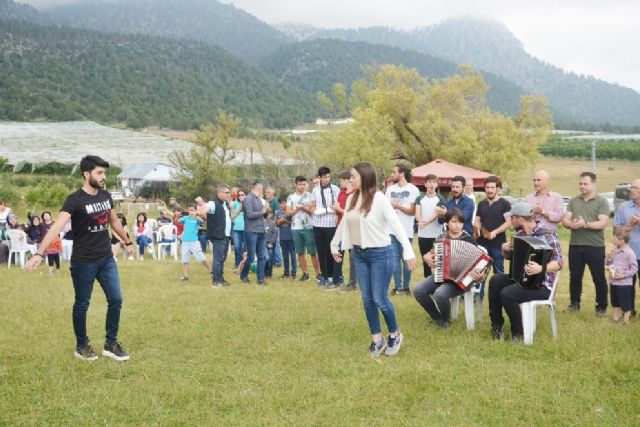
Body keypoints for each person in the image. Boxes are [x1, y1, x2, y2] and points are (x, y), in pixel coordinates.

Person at [24, 155, 134, 361]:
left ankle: (110, 344)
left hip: (106, 258)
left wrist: (127, 241)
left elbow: (113, 222)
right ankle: (82, 346)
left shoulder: (105, 196)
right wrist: (39, 252)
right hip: (84, 261)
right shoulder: (75, 200)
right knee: (82, 303)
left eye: (104, 173)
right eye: (99, 173)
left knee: (116, 299)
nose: (103, 177)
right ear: (86, 174)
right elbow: (56, 227)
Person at [331, 162, 416, 357]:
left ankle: (395, 334)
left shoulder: (379, 198)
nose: (350, 180)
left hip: (380, 254)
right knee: (367, 299)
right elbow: (345, 223)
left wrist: (408, 250)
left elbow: (396, 224)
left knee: (379, 298)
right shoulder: (351, 198)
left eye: (353, 176)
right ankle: (377, 339)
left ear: (365, 177)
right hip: (359, 255)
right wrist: (334, 244)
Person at [489, 201, 564, 341]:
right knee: (496, 280)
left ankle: (518, 333)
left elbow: (559, 262)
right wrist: (505, 251)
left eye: (512, 218)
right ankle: (497, 327)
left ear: (519, 219)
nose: (510, 221)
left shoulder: (547, 235)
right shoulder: (519, 235)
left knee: (507, 293)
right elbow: (512, 258)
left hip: (542, 286)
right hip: (522, 280)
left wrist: (541, 268)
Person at [413, 208, 487, 328]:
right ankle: (437, 318)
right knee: (418, 289)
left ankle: (445, 321)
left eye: (460, 222)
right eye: (454, 221)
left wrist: (480, 275)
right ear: (446, 223)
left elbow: (478, 263)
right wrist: (427, 258)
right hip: (441, 275)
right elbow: (431, 255)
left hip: (460, 281)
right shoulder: (441, 238)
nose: (458, 225)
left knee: (440, 293)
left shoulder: (469, 240)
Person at [561, 172, 610, 316]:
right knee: (575, 277)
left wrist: (585, 224)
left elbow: (603, 223)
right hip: (575, 245)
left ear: (594, 184)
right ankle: (574, 304)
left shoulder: (602, 201)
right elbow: (565, 220)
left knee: (598, 277)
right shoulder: (574, 201)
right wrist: (571, 224)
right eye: (580, 183)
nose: (582, 186)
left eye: (585, 184)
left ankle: (601, 307)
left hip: (595, 246)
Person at [474, 175, 511, 298]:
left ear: (498, 189)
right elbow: (477, 220)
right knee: (479, 273)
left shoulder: (505, 204)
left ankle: (500, 299)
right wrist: (477, 229)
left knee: (498, 275)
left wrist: (495, 232)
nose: (489, 190)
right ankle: (478, 300)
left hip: (498, 245)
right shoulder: (481, 204)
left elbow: (509, 222)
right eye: (487, 187)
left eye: (492, 187)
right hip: (482, 245)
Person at [385, 164, 420, 295]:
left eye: (394, 172)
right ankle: (398, 288)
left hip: (406, 229)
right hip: (391, 230)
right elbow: (385, 208)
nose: (392, 174)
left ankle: (406, 287)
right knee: (394, 259)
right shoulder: (390, 189)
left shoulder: (413, 189)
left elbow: (412, 211)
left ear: (402, 173)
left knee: (407, 258)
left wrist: (397, 206)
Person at [613, 178, 640, 316]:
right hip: (627, 254)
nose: (631, 190)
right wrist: (628, 226)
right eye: (631, 187)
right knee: (628, 285)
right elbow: (616, 229)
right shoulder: (623, 207)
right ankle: (629, 311)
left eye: (635, 188)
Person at [311, 166, 341, 288]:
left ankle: (332, 275)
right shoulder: (315, 190)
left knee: (331, 251)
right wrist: (317, 211)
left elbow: (337, 207)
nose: (326, 179)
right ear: (320, 177)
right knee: (321, 251)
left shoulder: (335, 189)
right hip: (318, 224)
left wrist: (325, 210)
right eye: (324, 177)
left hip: (331, 224)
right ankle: (324, 276)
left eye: (328, 176)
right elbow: (313, 207)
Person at [286, 176, 320, 282]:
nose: (302, 186)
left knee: (313, 252)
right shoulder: (291, 197)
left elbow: (313, 211)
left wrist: (304, 208)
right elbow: (288, 212)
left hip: (308, 227)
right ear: (296, 184)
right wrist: (297, 209)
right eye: (300, 184)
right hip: (295, 227)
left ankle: (318, 273)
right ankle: (305, 273)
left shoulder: (311, 196)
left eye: (304, 184)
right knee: (300, 252)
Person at [415, 174, 446, 278]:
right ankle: (427, 284)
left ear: (437, 185)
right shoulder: (420, 198)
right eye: (429, 182)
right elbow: (417, 213)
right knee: (426, 262)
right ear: (425, 184)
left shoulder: (441, 199)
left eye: (434, 182)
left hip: (437, 235)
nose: (431, 185)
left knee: (438, 262)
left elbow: (436, 214)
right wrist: (420, 221)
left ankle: (439, 283)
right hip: (423, 235)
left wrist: (425, 223)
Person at [331, 171, 358, 291]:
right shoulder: (341, 193)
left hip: (352, 229)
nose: (340, 183)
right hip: (341, 227)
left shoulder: (355, 194)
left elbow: (352, 213)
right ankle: (335, 281)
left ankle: (353, 283)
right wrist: (336, 209)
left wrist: (339, 209)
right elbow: (339, 212)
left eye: (341, 181)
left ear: (347, 180)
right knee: (337, 254)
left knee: (353, 257)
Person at [606, 227, 638, 324]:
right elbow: (609, 265)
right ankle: (615, 319)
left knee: (625, 304)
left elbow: (634, 268)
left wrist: (623, 276)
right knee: (615, 303)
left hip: (624, 284)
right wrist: (608, 259)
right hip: (614, 282)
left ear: (622, 240)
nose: (613, 240)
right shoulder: (614, 251)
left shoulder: (630, 253)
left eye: (615, 238)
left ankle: (626, 321)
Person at [203, 184, 232, 287]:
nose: (229, 195)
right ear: (219, 193)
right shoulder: (213, 203)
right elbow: (205, 209)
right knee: (218, 259)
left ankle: (220, 279)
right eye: (227, 193)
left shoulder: (224, 204)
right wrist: (203, 212)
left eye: (229, 193)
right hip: (218, 235)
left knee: (222, 259)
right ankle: (216, 281)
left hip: (226, 235)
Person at [241, 181, 269, 285]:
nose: (262, 191)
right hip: (251, 231)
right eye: (262, 189)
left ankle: (260, 279)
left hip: (261, 230)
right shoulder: (248, 199)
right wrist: (263, 211)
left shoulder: (259, 200)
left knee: (262, 256)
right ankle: (243, 275)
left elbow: (263, 215)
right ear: (258, 189)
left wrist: (266, 210)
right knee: (251, 257)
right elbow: (249, 214)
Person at [179, 205, 212, 282]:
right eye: (190, 210)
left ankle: (212, 271)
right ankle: (185, 276)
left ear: (195, 211)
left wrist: (196, 215)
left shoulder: (196, 219)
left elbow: (202, 221)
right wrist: (177, 216)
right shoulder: (185, 218)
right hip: (185, 241)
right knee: (185, 259)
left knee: (201, 257)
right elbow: (178, 220)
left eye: (192, 210)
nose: (191, 212)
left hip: (194, 241)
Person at [275, 196, 296, 279]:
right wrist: (280, 222)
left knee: (293, 255)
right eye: (280, 203)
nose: (282, 205)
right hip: (282, 237)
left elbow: (294, 223)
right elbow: (276, 224)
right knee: (285, 255)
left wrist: (286, 221)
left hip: (291, 236)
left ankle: (293, 273)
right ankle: (286, 272)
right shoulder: (278, 213)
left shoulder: (291, 212)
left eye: (283, 203)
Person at [265, 186, 283, 267]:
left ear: (273, 193)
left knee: (276, 243)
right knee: (269, 243)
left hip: (274, 225)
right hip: (267, 225)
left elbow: (277, 213)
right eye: (266, 192)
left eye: (268, 192)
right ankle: (272, 261)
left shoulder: (275, 201)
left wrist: (274, 223)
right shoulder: (266, 201)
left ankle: (278, 261)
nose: (266, 194)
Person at [230, 189, 246, 270]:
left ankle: (244, 264)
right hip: (236, 229)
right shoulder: (235, 204)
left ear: (246, 195)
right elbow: (232, 216)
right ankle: (237, 264)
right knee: (237, 247)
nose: (240, 196)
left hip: (246, 229)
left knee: (245, 248)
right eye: (239, 195)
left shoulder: (248, 204)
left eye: (242, 195)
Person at [264, 211, 278, 278]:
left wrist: (271, 242)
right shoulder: (262, 222)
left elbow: (275, 233)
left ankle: (269, 273)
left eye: (270, 213)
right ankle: (264, 272)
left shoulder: (272, 223)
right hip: (263, 243)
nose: (270, 215)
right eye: (269, 213)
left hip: (270, 243)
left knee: (270, 259)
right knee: (265, 258)